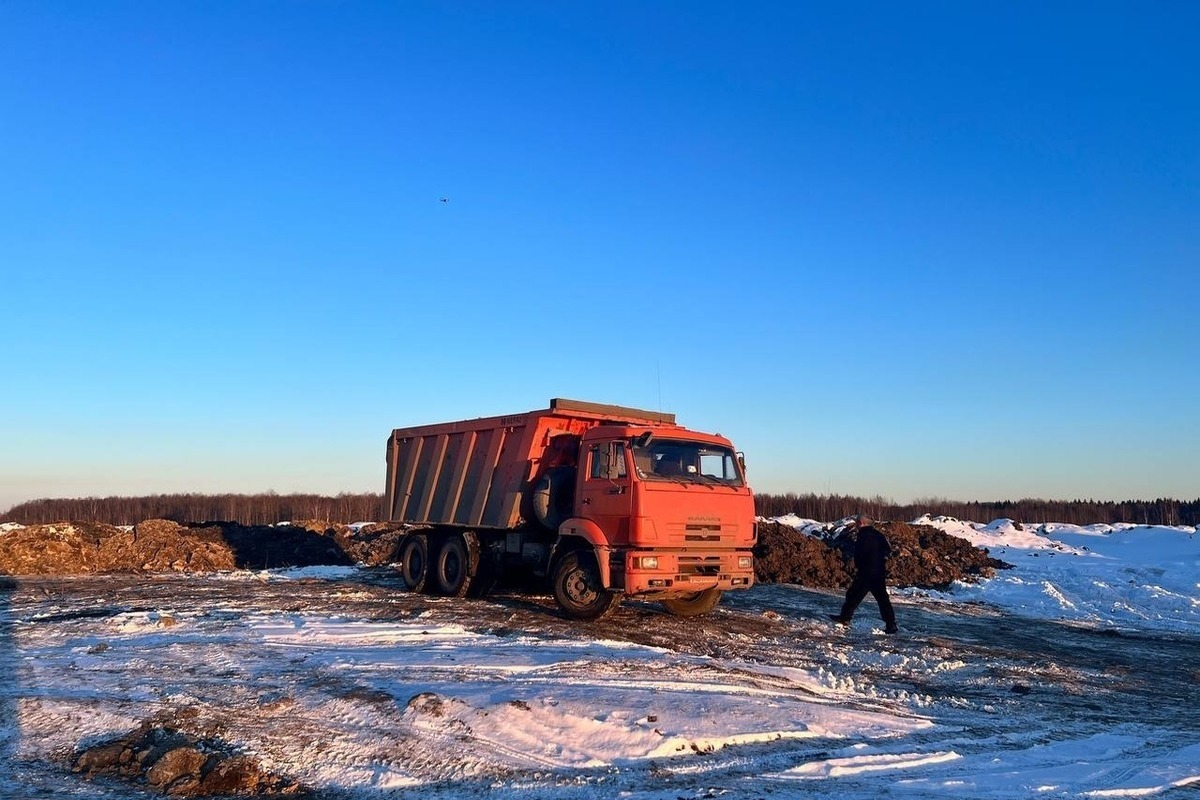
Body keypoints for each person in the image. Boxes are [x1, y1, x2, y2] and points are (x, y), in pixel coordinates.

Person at [830, 514, 898, 634]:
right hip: (879, 572)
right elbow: (887, 550)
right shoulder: (879, 535)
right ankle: (891, 624)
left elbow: (860, 554)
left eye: (856, 522)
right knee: (883, 600)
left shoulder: (863, 535)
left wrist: (858, 565)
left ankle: (845, 618)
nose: (855, 525)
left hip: (866, 572)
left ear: (861, 523)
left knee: (853, 595)